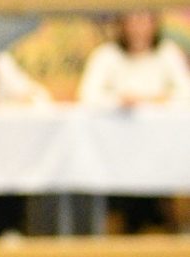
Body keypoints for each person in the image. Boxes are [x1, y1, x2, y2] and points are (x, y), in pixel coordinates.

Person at [78, 12, 190, 235]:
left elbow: (185, 93)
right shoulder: (107, 55)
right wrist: (118, 101)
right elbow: (88, 95)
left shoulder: (167, 53)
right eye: (133, 20)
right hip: (114, 149)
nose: (138, 27)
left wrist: (156, 99)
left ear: (154, 24)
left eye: (144, 20)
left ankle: (164, 219)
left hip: (161, 148)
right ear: (122, 24)